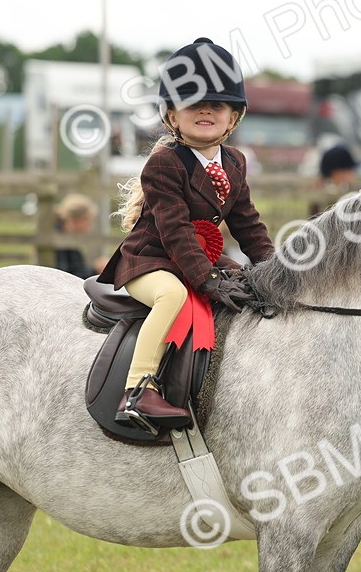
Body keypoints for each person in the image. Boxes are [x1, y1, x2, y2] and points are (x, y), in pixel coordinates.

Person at [98, 37, 275, 432]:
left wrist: (274, 271)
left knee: (249, 288)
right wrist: (208, 279)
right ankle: (138, 390)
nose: (206, 109)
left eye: (218, 104)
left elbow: (248, 224)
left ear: (234, 119)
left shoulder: (235, 163)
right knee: (173, 296)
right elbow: (175, 231)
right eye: (192, 103)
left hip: (198, 260)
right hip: (152, 260)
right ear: (172, 118)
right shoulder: (164, 164)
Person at [52, 193, 109, 278]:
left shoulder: (69, 238)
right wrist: (95, 270)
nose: (90, 225)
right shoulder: (58, 241)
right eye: (87, 220)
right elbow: (66, 275)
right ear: (75, 220)